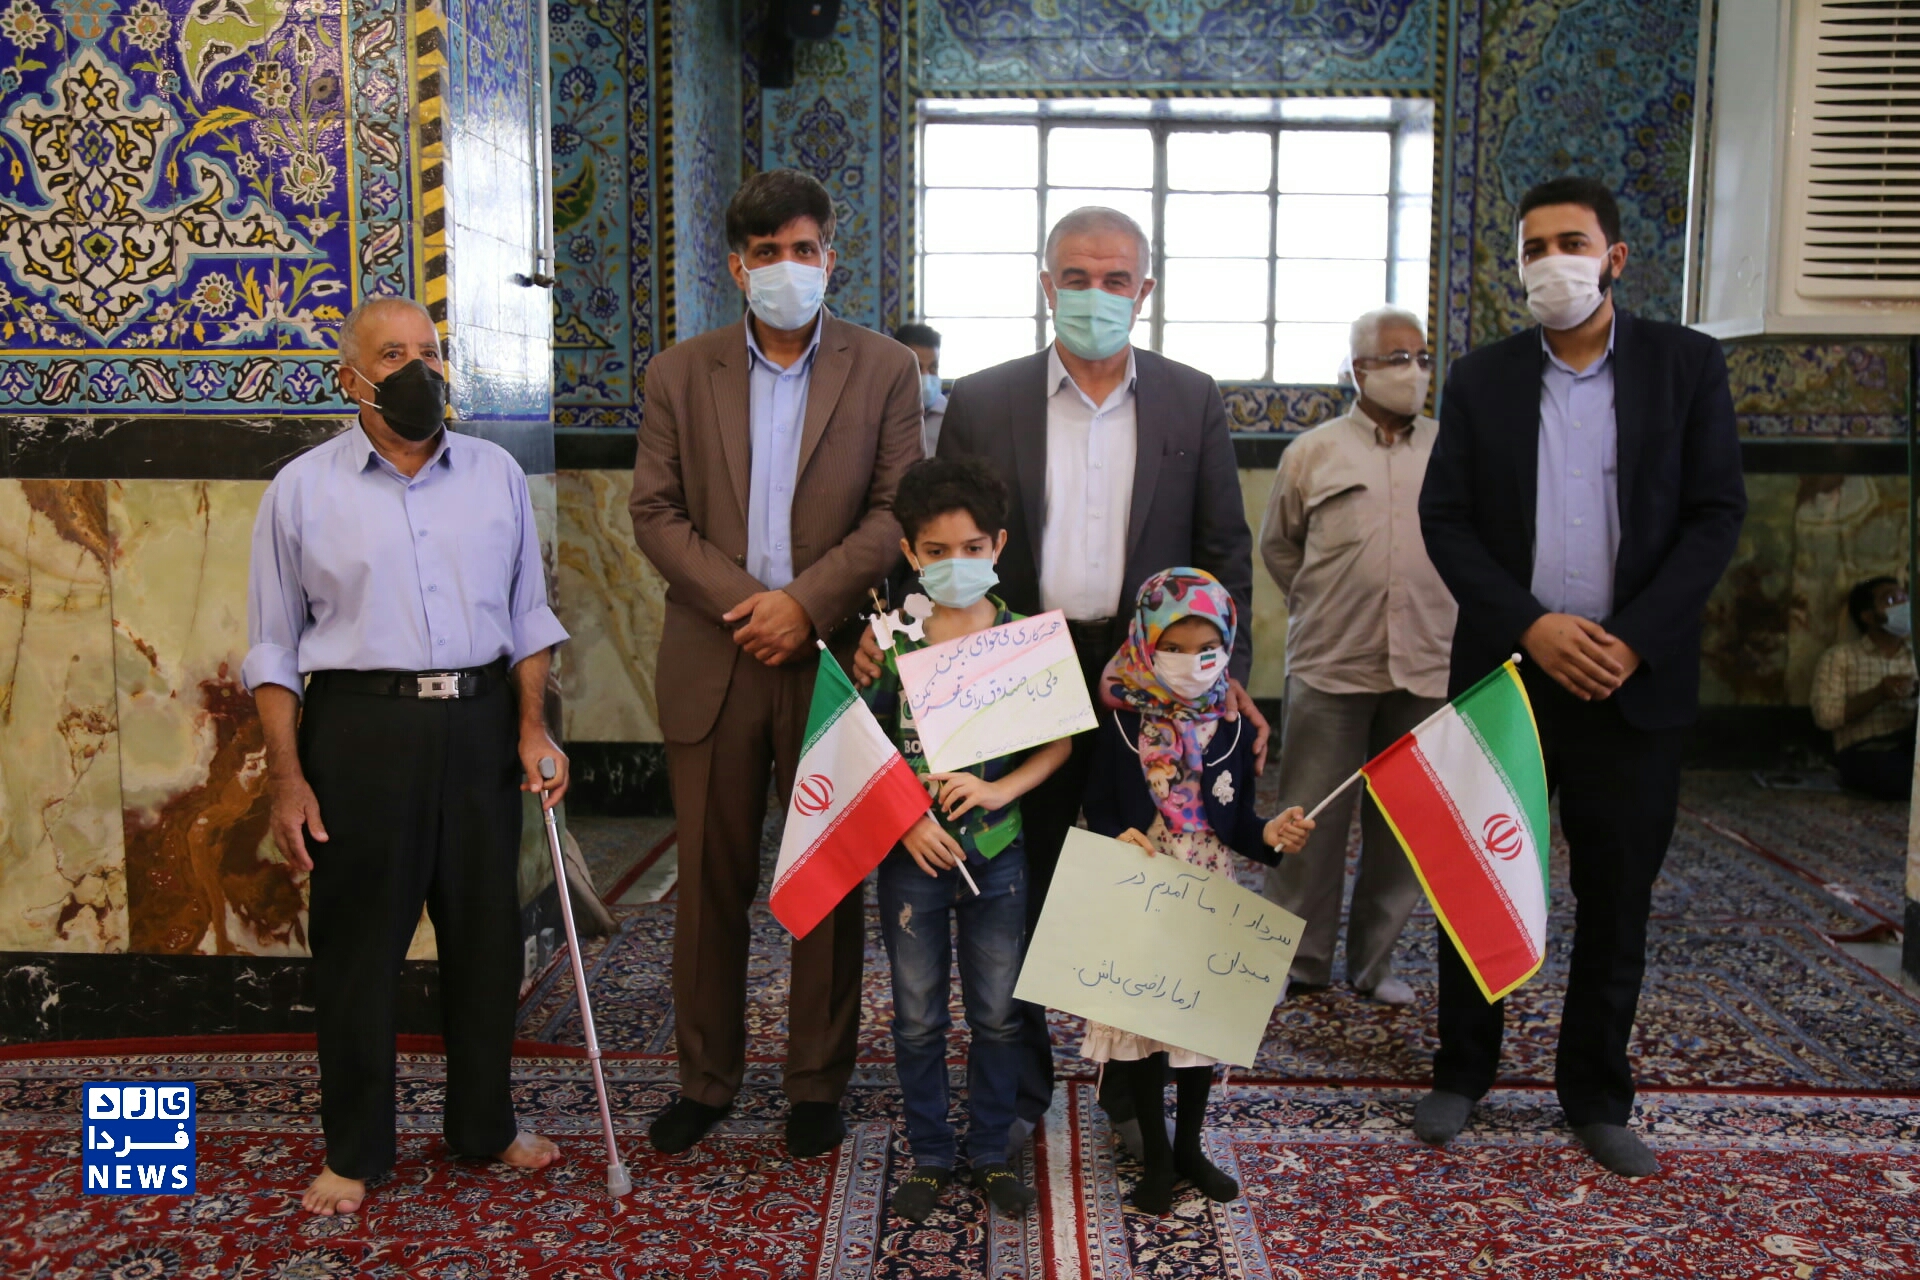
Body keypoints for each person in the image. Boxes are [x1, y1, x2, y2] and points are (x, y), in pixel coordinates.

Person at [857, 206, 1265, 1149]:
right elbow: (944, 528)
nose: (1095, 295)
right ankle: (1023, 1087)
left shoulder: (1190, 398)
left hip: (1147, 679)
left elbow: (1224, 551)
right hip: (1013, 661)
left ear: (1144, 290)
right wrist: (899, 631)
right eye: (1075, 277)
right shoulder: (986, 398)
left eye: (1116, 280)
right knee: (1023, 875)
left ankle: (1133, 1091)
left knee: (1143, 869)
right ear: (1046, 285)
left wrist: (1226, 677)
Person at [1417, 175, 1746, 1176]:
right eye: (1533, 248)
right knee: (1480, 875)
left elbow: (1714, 516)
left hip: (1632, 681)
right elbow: (1447, 521)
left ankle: (1597, 1092)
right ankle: (1462, 1069)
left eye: (1571, 242)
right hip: (1510, 674)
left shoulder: (1686, 367)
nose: (1551, 262)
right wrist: (1531, 625)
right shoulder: (1483, 379)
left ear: (1614, 258)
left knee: (1616, 892)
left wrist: (1632, 639)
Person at [243, 296, 569, 1216]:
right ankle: (355, 1151)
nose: (418, 369)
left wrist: (532, 728)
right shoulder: (301, 490)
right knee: (357, 950)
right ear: (351, 376)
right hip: (360, 733)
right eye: (393, 355)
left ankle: (485, 1125)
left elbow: (527, 617)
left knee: (486, 941)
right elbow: (273, 647)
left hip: (479, 726)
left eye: (429, 351)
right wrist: (288, 778)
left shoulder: (496, 474)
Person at [629, 169, 924, 1159]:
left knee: (827, 874)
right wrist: (750, 606)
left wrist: (805, 605)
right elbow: (655, 512)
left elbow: (895, 509)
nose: (787, 268)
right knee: (708, 881)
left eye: (804, 250)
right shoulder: (680, 373)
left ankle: (814, 1082)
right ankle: (705, 1079)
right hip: (713, 654)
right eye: (767, 253)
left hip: (828, 655)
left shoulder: (883, 368)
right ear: (736, 266)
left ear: (830, 258)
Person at [862, 456, 1072, 1223]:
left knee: (998, 1013)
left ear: (999, 545)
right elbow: (860, 744)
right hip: (911, 855)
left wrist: (998, 790)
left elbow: (1057, 743)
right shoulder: (892, 640)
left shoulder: (1024, 638)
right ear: (911, 553)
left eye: (973, 548)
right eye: (937, 551)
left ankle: (988, 1151)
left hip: (998, 852)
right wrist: (906, 818)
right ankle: (929, 1154)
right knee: (918, 1015)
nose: (957, 563)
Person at [1080, 568, 1313, 1213]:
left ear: (1228, 645)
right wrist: (1115, 834)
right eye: (1174, 648)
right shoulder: (1121, 723)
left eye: (1206, 649)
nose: (1191, 662)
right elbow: (1099, 803)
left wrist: (1272, 835)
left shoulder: (1231, 727)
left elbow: (1239, 824)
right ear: (1146, 642)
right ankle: (1156, 1157)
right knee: (1146, 1027)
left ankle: (1189, 1148)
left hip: (1208, 889)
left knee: (1196, 1028)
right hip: (1140, 889)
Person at [1258, 306, 1456, 1007]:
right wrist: (1323, 602)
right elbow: (1279, 546)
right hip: (1332, 660)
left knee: (1406, 823)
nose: (1414, 371)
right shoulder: (1312, 453)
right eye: (1397, 358)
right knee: (1307, 818)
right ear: (1358, 369)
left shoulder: (1450, 448)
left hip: (1429, 659)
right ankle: (1298, 961)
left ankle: (1375, 965)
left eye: (1422, 357)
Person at [1812, 577, 1916, 800]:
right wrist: (1879, 694)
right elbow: (1825, 717)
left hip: (1911, 744)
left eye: (1905, 599)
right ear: (1868, 616)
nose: (1904, 606)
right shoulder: (1840, 657)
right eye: (1891, 600)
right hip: (1865, 752)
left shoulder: (1915, 657)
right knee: (1899, 774)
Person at [894, 321, 946, 456]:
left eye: (933, 368)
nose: (926, 376)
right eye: (917, 367)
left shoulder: (950, 416)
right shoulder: (879, 414)